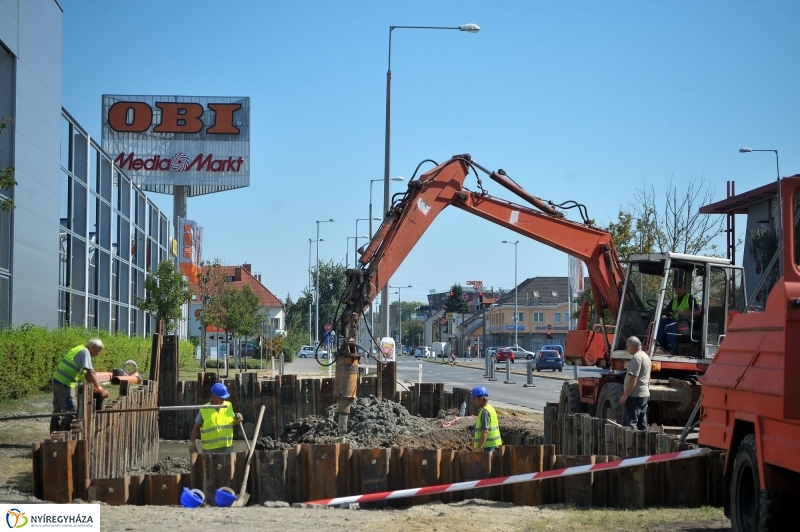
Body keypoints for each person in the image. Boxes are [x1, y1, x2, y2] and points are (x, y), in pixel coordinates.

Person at [51, 338, 109, 433]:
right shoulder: (85, 352)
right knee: (71, 413)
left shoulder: (79, 348)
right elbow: (91, 372)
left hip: (57, 381)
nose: (99, 353)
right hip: (65, 384)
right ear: (93, 347)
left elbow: (86, 373)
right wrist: (99, 388)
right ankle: (61, 440)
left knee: (57, 412)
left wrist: (92, 386)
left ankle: (52, 438)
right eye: (99, 350)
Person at [189, 382, 243, 454]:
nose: (224, 399)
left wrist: (237, 419)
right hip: (210, 449)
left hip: (226, 447)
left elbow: (232, 421)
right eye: (222, 398)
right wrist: (193, 443)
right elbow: (196, 426)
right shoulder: (204, 409)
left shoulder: (228, 405)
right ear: (214, 397)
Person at [656, 280, 700, 353]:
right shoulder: (674, 299)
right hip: (675, 320)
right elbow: (667, 310)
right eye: (676, 288)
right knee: (662, 322)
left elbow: (698, 313)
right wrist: (661, 311)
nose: (678, 290)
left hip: (687, 323)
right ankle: (660, 345)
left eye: (680, 288)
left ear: (685, 288)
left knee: (673, 325)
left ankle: (671, 348)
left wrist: (684, 313)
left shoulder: (690, 298)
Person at [618, 336, 651, 430]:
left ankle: (630, 444)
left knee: (630, 424)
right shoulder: (646, 356)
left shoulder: (637, 358)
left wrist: (625, 395)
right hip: (644, 394)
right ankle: (643, 442)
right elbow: (648, 377)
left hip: (635, 395)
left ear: (634, 346)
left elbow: (634, 378)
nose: (627, 349)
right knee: (642, 423)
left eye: (628, 346)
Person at [471, 386, 502, 451]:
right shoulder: (490, 408)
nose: (474, 402)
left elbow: (485, 431)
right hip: (492, 445)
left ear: (481, 398)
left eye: (475, 399)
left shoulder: (485, 411)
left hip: (487, 447)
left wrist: (479, 448)